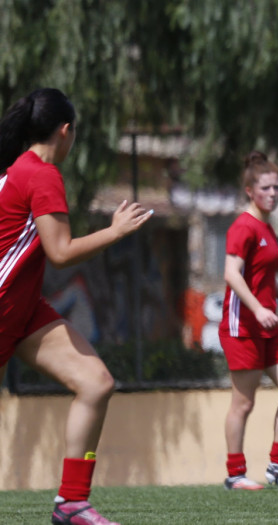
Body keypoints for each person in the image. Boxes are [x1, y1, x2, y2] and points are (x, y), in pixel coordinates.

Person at [0, 88, 152, 525]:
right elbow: (61, 251)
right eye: (75, 133)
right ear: (65, 131)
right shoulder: (41, 174)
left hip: (24, 311)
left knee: (96, 382)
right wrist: (116, 231)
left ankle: (72, 504)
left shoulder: (19, 169)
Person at [218, 151, 278, 491]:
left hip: (268, 324)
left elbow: (263, 273)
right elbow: (232, 274)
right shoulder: (242, 227)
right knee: (243, 402)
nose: (273, 193)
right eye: (266, 188)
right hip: (242, 325)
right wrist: (258, 309)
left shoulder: (266, 227)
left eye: (277, 187)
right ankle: (235, 474)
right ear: (250, 191)